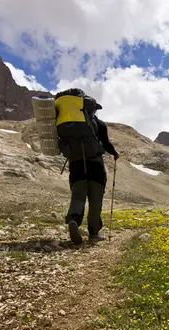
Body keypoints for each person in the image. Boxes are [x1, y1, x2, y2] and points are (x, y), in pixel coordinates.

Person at [54, 88, 119, 244]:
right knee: (95, 198)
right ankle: (94, 233)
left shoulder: (61, 122)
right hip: (95, 164)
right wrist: (115, 154)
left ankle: (74, 220)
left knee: (78, 195)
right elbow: (106, 144)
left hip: (76, 164)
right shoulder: (99, 124)